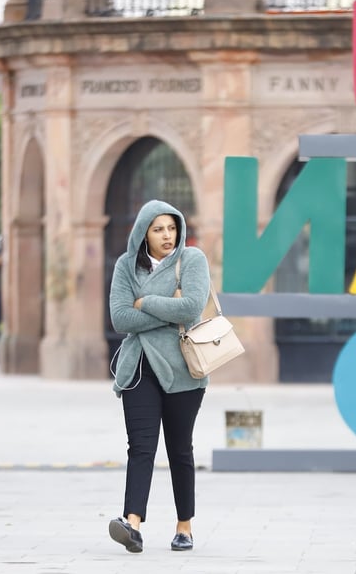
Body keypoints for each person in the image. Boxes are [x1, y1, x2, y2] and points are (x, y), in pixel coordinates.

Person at [108, 200, 212, 554]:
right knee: (140, 447)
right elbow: (120, 318)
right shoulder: (125, 266)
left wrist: (145, 302)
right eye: (158, 229)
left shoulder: (192, 260)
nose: (167, 235)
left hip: (183, 369)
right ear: (143, 234)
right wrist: (167, 306)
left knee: (180, 448)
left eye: (172, 228)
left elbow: (192, 307)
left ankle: (184, 526)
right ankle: (132, 524)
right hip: (138, 368)